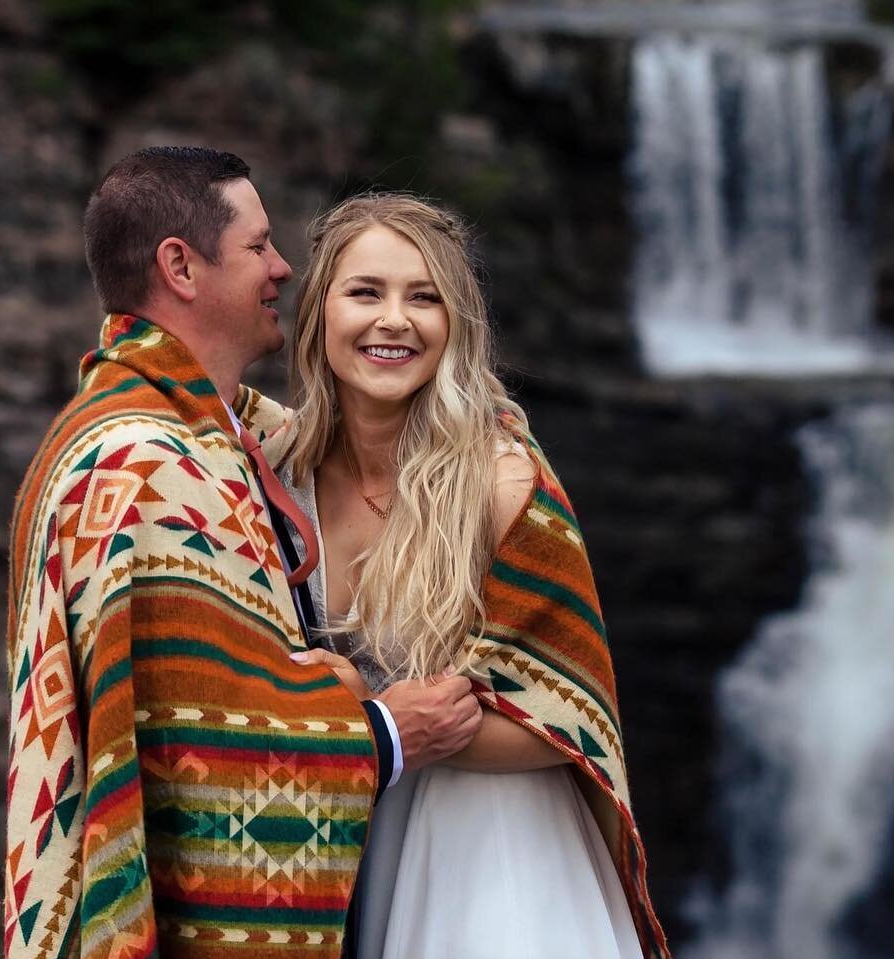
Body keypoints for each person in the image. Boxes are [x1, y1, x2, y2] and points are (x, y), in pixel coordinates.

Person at [3, 147, 483, 959]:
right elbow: (196, 756)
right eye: (260, 246)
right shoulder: (140, 467)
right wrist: (382, 730)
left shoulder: (211, 432)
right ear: (181, 266)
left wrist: (478, 435)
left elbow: (324, 445)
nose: (283, 267)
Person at [267, 194, 670, 959]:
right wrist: (373, 727)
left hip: (496, 845)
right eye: (366, 292)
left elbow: (573, 718)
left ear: (457, 324)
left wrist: (377, 714)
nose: (395, 319)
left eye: (425, 297)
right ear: (318, 312)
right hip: (360, 835)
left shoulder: (502, 480)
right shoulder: (281, 471)